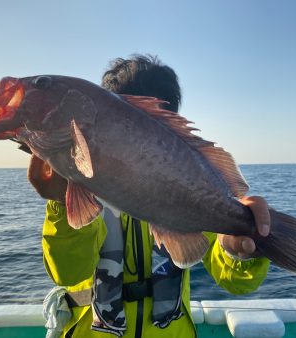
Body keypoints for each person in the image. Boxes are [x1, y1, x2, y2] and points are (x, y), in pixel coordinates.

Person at [28, 55, 271, 338]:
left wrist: (240, 248)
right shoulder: (80, 183)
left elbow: (237, 283)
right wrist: (61, 203)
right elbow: (68, 273)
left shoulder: (189, 186)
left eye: (160, 124)